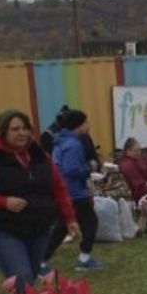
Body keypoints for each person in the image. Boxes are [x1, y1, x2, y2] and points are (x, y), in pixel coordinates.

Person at [0, 110, 79, 294]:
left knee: (29, 280)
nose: (22, 133)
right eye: (15, 129)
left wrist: (70, 218)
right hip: (4, 231)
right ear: (3, 132)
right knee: (22, 279)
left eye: (25, 128)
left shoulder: (41, 158)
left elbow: (59, 189)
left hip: (38, 229)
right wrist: (3, 202)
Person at [45, 109, 105, 271]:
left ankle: (41, 261)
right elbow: (71, 170)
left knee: (62, 227)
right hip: (75, 192)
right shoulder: (74, 144)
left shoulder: (60, 141)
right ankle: (84, 259)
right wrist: (89, 167)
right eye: (86, 122)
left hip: (64, 191)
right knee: (90, 223)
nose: (88, 125)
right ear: (78, 125)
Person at [116, 138, 147, 202]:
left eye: (139, 150)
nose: (139, 153)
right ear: (128, 151)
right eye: (136, 151)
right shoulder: (127, 164)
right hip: (135, 199)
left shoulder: (133, 161)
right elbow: (138, 186)